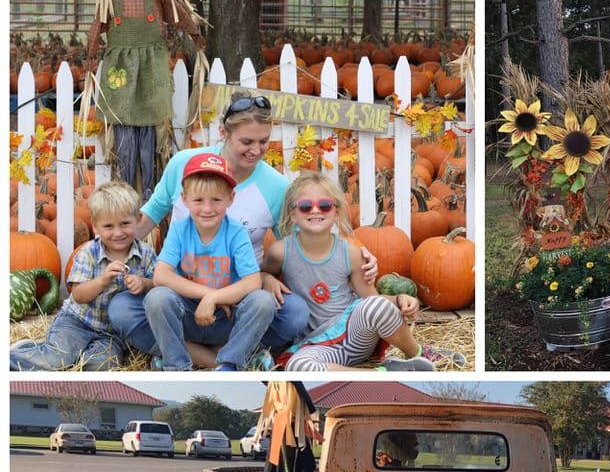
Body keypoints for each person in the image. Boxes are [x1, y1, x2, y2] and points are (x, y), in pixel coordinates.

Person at [107, 90, 377, 367]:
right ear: (224, 132)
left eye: (263, 141)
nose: (256, 150)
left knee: (294, 313)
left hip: (238, 302)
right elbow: (150, 215)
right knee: (122, 310)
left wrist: (354, 254)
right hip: (181, 298)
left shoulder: (275, 187)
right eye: (246, 141)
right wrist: (101, 248)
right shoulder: (184, 166)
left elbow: (301, 243)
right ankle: (221, 360)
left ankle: (194, 350)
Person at [262, 171, 465, 372]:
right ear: (293, 214)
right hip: (318, 345)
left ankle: (418, 352)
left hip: (355, 334)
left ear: (336, 213)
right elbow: (261, 275)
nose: (315, 211)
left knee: (375, 306)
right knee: (297, 366)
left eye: (324, 205)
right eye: (306, 206)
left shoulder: (349, 252)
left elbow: (370, 299)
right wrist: (268, 279)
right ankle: (384, 373)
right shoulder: (281, 251)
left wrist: (399, 299)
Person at [143, 152, 274, 371]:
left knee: (263, 301)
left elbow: (252, 282)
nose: (207, 208)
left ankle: (230, 362)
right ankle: (176, 365)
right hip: (188, 313)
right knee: (157, 298)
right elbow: (161, 276)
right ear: (184, 199)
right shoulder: (179, 230)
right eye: (198, 200)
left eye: (216, 200)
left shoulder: (236, 233)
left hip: (225, 315)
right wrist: (206, 295)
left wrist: (215, 298)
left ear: (230, 198)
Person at [11, 181, 156, 371]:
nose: (118, 232)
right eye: (109, 226)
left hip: (112, 335)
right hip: (77, 322)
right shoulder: (88, 253)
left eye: (125, 224)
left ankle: (63, 352)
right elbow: (78, 294)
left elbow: (157, 284)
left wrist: (144, 284)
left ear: (138, 220)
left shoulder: (146, 254)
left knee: (102, 366)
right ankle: (19, 354)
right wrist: (102, 280)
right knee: (56, 360)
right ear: (95, 227)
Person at [86, 0, 206, 197]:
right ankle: (125, 184)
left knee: (151, 118)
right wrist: (91, 51)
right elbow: (98, 22)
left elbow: (177, 14)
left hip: (152, 62)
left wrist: (194, 32)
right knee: (122, 117)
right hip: (119, 65)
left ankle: (150, 187)